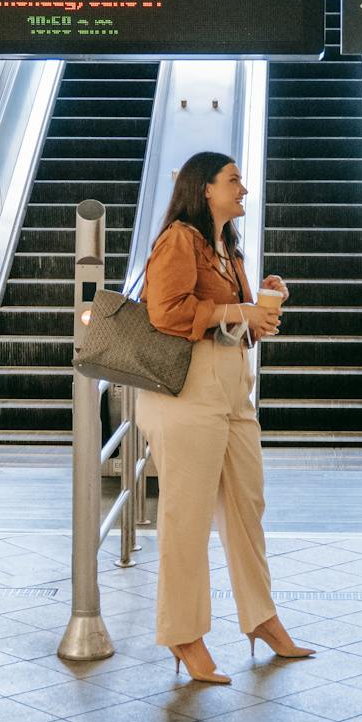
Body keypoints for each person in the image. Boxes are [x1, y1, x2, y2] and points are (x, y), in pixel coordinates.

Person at [136, 150, 315, 684]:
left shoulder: (228, 249)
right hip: (186, 391)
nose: (243, 188)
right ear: (204, 188)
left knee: (246, 507)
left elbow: (233, 322)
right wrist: (238, 311)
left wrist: (260, 311)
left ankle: (261, 617)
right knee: (186, 518)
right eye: (233, 180)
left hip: (233, 385)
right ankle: (183, 634)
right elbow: (164, 312)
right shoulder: (179, 240)